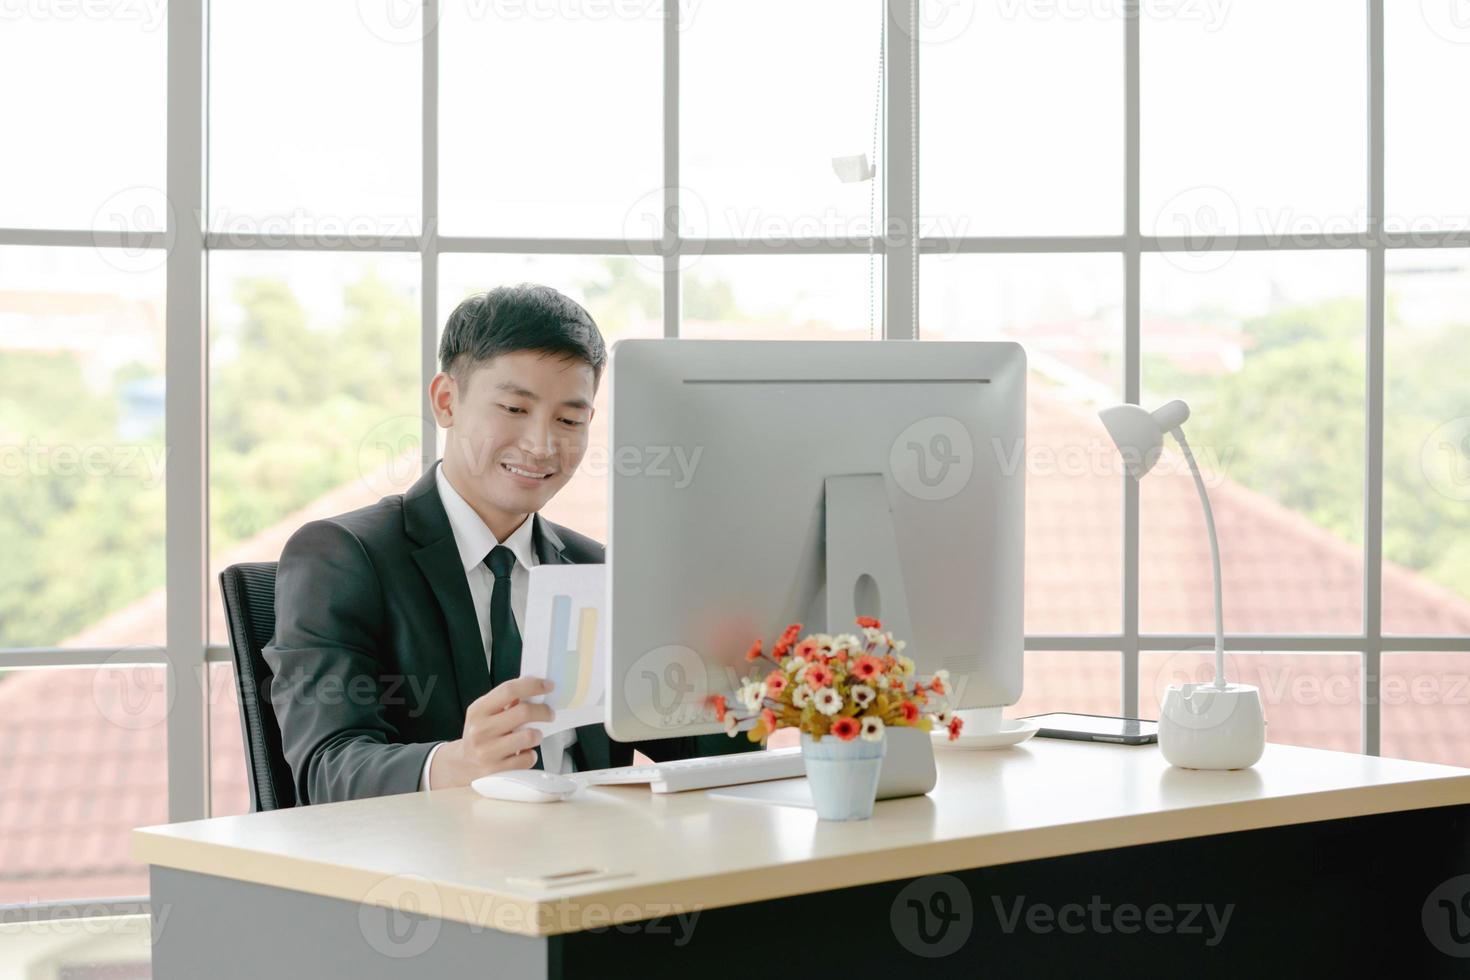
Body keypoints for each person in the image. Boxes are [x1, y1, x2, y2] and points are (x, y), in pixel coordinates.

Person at [264, 284, 754, 804]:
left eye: (569, 420)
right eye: (514, 409)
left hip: (600, 855)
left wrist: (745, 677)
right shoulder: (343, 557)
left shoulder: (598, 569)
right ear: (446, 401)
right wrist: (455, 762)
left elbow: (701, 749)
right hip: (433, 866)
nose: (542, 445)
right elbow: (325, 768)